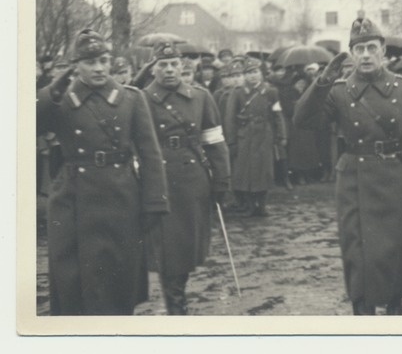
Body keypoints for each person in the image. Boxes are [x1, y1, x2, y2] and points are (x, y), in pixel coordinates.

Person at [293, 17, 402, 315]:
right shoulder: (338, 90)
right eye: (359, 49)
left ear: (383, 51)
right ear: (352, 54)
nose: (366, 55)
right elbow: (303, 120)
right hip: (354, 181)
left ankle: (395, 308)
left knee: (395, 251)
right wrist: (321, 83)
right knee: (357, 253)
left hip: (396, 178)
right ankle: (363, 313)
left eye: (372, 47)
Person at [36, 29, 169, 315]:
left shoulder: (131, 98)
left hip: (120, 197)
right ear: (76, 65)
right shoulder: (60, 100)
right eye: (89, 62)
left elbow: (150, 153)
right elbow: (26, 121)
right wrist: (55, 87)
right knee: (72, 279)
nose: (98, 68)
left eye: (103, 60)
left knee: (118, 277)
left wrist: (154, 202)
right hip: (72, 199)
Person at [142, 42, 231, 315]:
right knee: (168, 247)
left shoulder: (201, 97)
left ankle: (177, 296)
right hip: (159, 182)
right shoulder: (142, 99)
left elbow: (214, 140)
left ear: (182, 67)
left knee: (187, 245)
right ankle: (176, 304)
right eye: (162, 65)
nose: (169, 70)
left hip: (193, 182)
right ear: (153, 69)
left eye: (173, 64)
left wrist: (221, 180)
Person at [224, 57, 287, 217]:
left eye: (255, 72)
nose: (252, 76)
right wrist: (231, 140)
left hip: (264, 136)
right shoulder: (237, 93)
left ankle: (262, 205)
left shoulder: (271, 91)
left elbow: (277, 114)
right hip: (244, 136)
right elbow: (230, 118)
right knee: (245, 172)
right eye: (249, 73)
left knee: (264, 171)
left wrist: (282, 135)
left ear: (261, 73)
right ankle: (249, 205)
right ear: (244, 76)